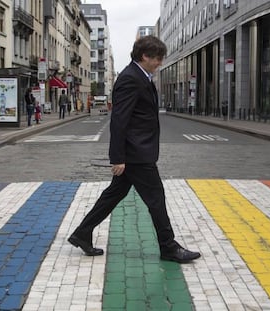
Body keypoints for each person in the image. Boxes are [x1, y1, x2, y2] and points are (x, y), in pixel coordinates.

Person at [68, 35, 201, 264]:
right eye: (157, 58)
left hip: (136, 152)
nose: (160, 62)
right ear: (144, 56)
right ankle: (168, 247)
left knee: (113, 194)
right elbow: (119, 120)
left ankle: (82, 233)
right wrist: (118, 157)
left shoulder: (141, 76)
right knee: (156, 198)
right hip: (136, 154)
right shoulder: (131, 78)